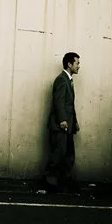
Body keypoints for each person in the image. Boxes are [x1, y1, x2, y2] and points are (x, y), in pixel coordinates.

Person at [44, 52, 80, 193]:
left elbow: (69, 104)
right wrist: (63, 120)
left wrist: (74, 122)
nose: (79, 66)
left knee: (68, 154)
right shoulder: (61, 79)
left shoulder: (68, 80)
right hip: (61, 126)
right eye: (77, 63)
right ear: (69, 64)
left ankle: (64, 182)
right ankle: (50, 183)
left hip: (68, 125)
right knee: (58, 154)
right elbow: (58, 102)